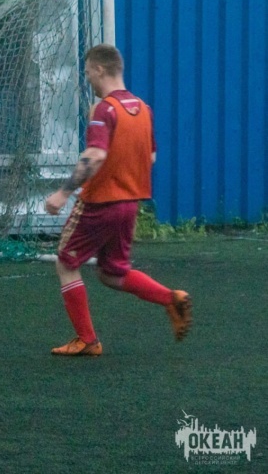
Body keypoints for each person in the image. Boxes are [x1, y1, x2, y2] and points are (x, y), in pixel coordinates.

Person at [44, 44, 192, 357]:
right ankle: (171, 298)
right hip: (129, 205)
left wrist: (63, 192)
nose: (88, 79)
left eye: (88, 72)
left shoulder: (105, 110)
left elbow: (96, 155)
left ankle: (87, 340)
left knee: (66, 263)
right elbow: (150, 157)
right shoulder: (143, 109)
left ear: (99, 69)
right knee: (112, 272)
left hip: (99, 204)